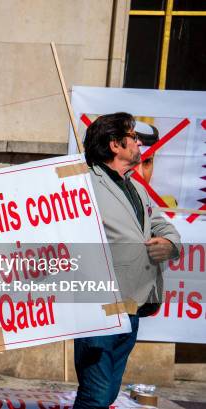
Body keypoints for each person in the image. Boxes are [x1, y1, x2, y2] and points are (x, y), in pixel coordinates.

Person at [74, 112, 180, 409]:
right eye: (132, 136)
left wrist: (170, 244)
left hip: (133, 302)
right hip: (99, 304)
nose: (138, 142)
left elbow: (164, 226)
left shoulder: (135, 187)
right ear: (114, 145)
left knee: (107, 393)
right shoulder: (85, 183)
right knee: (96, 392)